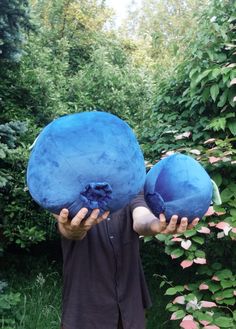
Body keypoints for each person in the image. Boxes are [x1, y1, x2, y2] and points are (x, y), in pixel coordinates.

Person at [54, 192, 199, 329]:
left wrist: (156, 224)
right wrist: (75, 229)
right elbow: (67, 228)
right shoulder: (70, 181)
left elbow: (141, 219)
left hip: (130, 306)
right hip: (85, 307)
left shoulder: (131, 178)